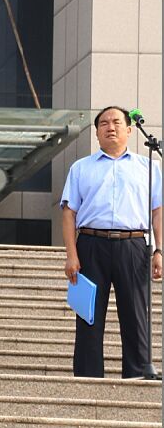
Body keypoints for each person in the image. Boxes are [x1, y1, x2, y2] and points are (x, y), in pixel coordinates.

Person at [61, 105, 162, 378]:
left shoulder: (148, 167)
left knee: (136, 313)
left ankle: (138, 371)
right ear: (96, 133)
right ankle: (88, 374)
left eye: (117, 122)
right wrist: (71, 255)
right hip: (91, 244)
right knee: (89, 314)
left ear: (129, 129)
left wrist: (159, 250)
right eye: (104, 123)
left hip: (134, 244)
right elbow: (69, 213)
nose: (110, 127)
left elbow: (158, 211)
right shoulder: (81, 168)